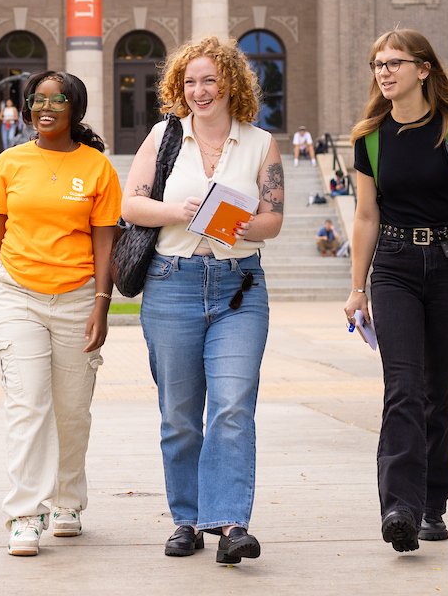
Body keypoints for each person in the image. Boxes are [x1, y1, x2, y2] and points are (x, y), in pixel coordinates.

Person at [121, 35, 284, 564]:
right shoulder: (165, 136)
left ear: (230, 83)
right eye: (189, 82)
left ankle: (232, 521)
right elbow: (132, 206)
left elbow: (272, 221)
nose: (199, 91)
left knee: (233, 406)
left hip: (240, 287)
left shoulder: (260, 144)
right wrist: (182, 213)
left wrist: (231, 222)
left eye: (209, 79)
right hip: (173, 283)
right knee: (181, 414)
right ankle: (187, 519)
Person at [344, 29, 448, 553]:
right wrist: (356, 288)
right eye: (377, 64)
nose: (384, 72)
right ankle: (400, 507)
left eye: (394, 62)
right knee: (404, 388)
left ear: (424, 69)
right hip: (392, 267)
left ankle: (432, 505)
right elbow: (366, 216)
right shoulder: (369, 138)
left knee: (439, 393)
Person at [0, 71, 120, 557]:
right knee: (28, 406)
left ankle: (67, 501)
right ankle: (25, 513)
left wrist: (102, 305)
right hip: (17, 296)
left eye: (57, 100)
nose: (45, 108)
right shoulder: (10, 162)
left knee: (71, 411)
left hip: (77, 297)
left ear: (76, 108)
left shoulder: (97, 168)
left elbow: (105, 242)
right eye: (37, 101)